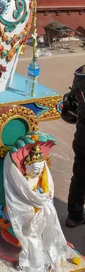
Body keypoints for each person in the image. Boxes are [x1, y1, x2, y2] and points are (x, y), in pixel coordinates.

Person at [64, 65, 85, 228]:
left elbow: (72, 102)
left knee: (79, 175)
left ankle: (74, 215)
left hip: (82, 134)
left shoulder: (81, 73)